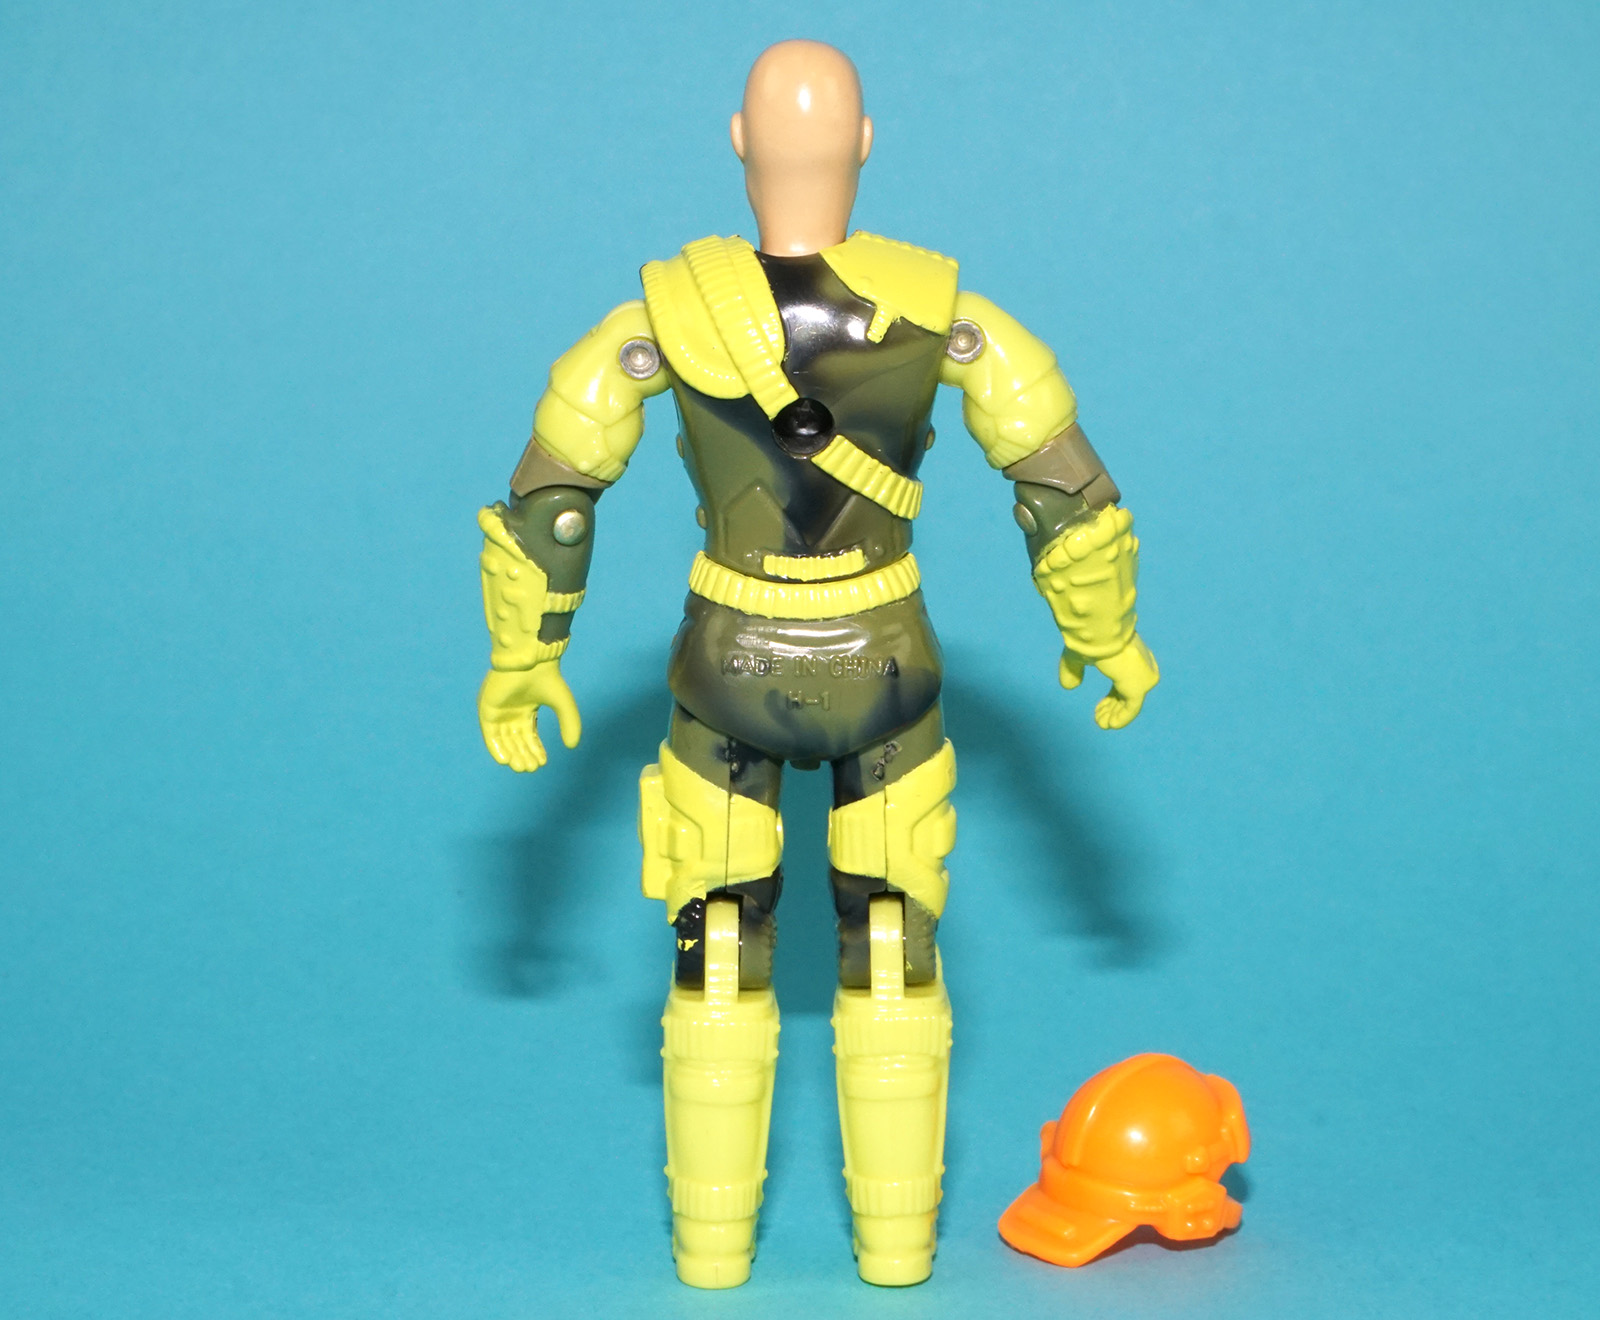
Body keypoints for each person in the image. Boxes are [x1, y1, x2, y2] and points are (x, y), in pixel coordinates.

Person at [474, 38, 1158, 1289]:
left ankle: (710, 1252)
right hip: (882, 661)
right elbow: (1065, 491)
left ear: (739, 142)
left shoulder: (654, 321)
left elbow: (554, 498)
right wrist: (1104, 635)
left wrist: (527, 654)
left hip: (725, 661)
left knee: (716, 945)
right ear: (867, 145)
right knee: (891, 944)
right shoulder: (949, 317)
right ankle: (896, 1252)